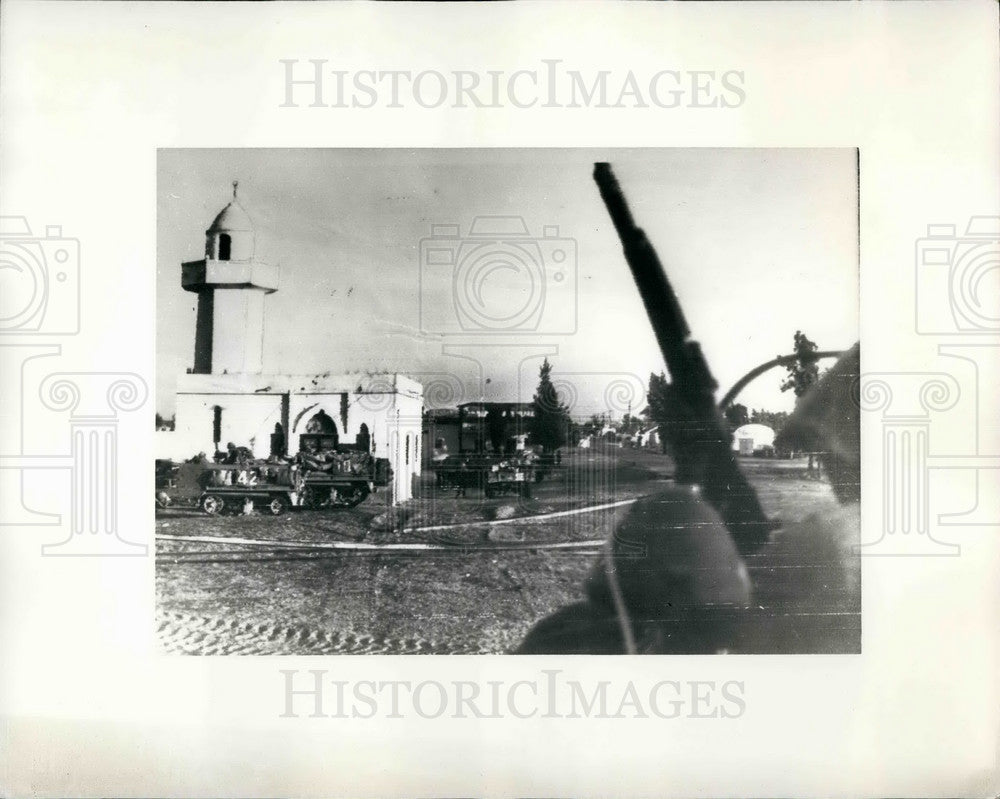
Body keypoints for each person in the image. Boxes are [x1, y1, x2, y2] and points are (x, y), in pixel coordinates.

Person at [515, 344, 861, 655]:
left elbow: (718, 608)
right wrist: (708, 456)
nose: (829, 468)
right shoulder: (857, 549)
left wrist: (700, 461)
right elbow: (749, 553)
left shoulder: (833, 549)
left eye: (831, 456)